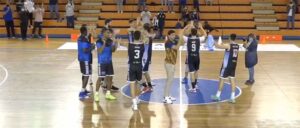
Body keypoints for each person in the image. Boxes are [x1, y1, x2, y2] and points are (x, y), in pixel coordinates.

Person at [120, 30, 145, 110]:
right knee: (138, 84)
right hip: (139, 66)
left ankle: (134, 104)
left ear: (133, 37)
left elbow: (120, 43)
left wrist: (119, 41)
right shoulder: (142, 45)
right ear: (140, 37)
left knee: (132, 85)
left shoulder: (129, 45)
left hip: (132, 66)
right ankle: (137, 99)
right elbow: (144, 39)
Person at [211, 34, 239, 103]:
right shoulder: (237, 45)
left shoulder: (228, 45)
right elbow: (228, 47)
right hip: (233, 65)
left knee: (222, 79)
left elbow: (218, 46)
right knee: (232, 80)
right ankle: (232, 98)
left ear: (230, 38)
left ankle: (217, 96)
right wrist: (223, 44)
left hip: (226, 66)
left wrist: (213, 41)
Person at [181, 21, 207, 92]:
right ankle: (195, 85)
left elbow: (181, 34)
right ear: (196, 33)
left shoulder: (187, 39)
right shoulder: (199, 39)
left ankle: (193, 88)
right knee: (196, 71)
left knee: (191, 72)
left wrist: (185, 27)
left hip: (190, 57)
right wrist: (201, 28)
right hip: (197, 57)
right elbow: (205, 35)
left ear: (190, 33)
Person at [95, 28, 119, 101]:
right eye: (108, 33)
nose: (109, 34)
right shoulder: (99, 41)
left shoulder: (110, 41)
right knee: (100, 78)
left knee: (110, 78)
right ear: (103, 33)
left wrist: (115, 43)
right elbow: (99, 52)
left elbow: (113, 50)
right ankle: (96, 94)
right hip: (102, 63)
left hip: (109, 62)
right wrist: (104, 44)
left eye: (110, 33)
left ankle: (108, 94)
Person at [163, 30, 181, 104]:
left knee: (170, 80)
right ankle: (166, 97)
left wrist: (181, 37)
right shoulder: (168, 43)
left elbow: (181, 43)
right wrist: (180, 38)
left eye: (174, 35)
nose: (174, 36)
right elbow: (176, 47)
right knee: (169, 80)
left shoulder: (173, 41)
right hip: (169, 63)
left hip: (172, 63)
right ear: (169, 35)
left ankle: (167, 95)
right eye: (172, 35)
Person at [77, 25, 94, 100]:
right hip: (85, 59)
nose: (88, 31)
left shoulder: (82, 38)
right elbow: (85, 50)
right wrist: (92, 47)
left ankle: (84, 89)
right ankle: (82, 92)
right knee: (86, 74)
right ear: (84, 32)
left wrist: (90, 44)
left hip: (82, 59)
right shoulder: (83, 39)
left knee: (84, 74)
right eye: (87, 30)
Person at [141, 23, 156, 93]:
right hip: (145, 55)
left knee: (143, 72)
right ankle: (147, 85)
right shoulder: (147, 35)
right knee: (144, 71)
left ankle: (148, 86)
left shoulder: (146, 36)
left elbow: (150, 36)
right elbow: (151, 35)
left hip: (144, 56)